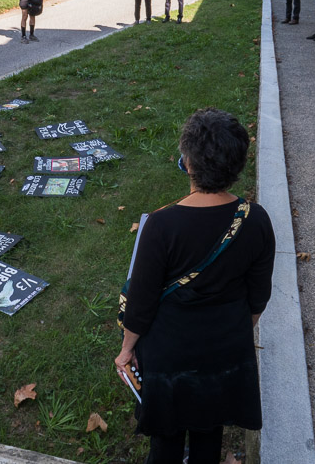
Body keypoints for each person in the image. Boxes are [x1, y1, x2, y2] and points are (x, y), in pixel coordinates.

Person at [115, 109, 275, 463]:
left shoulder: (160, 225)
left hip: (169, 354)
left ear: (187, 163)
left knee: (166, 439)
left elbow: (141, 304)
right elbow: (258, 297)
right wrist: (233, 334)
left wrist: (127, 350)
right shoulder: (256, 220)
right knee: (209, 430)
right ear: (237, 165)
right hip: (224, 352)